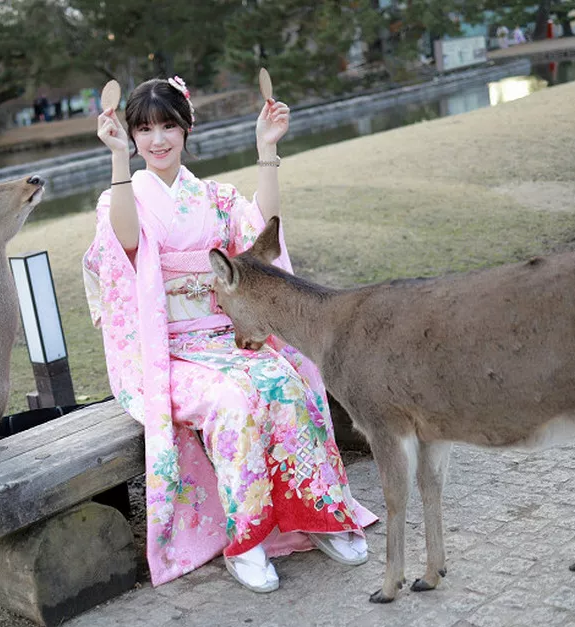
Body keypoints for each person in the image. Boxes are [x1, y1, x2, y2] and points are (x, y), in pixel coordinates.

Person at [83, 76, 378, 593]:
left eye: (168, 125)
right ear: (130, 136)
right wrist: (116, 161)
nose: (157, 140)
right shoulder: (121, 198)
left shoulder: (214, 199)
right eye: (144, 129)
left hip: (223, 338)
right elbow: (126, 244)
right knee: (232, 402)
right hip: (167, 352)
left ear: (186, 128)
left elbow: (263, 234)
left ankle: (318, 515)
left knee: (286, 382)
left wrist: (267, 150)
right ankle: (247, 540)